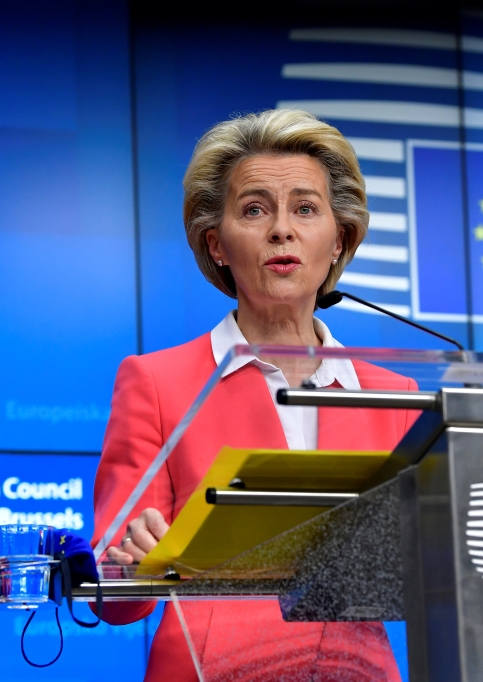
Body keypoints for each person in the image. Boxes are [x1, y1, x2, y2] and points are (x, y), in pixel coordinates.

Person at [91, 109, 418, 681]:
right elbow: (112, 596)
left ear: (338, 239)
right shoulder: (157, 383)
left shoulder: (393, 393)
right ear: (217, 245)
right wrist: (131, 564)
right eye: (254, 209)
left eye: (306, 209)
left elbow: (424, 569)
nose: (281, 231)